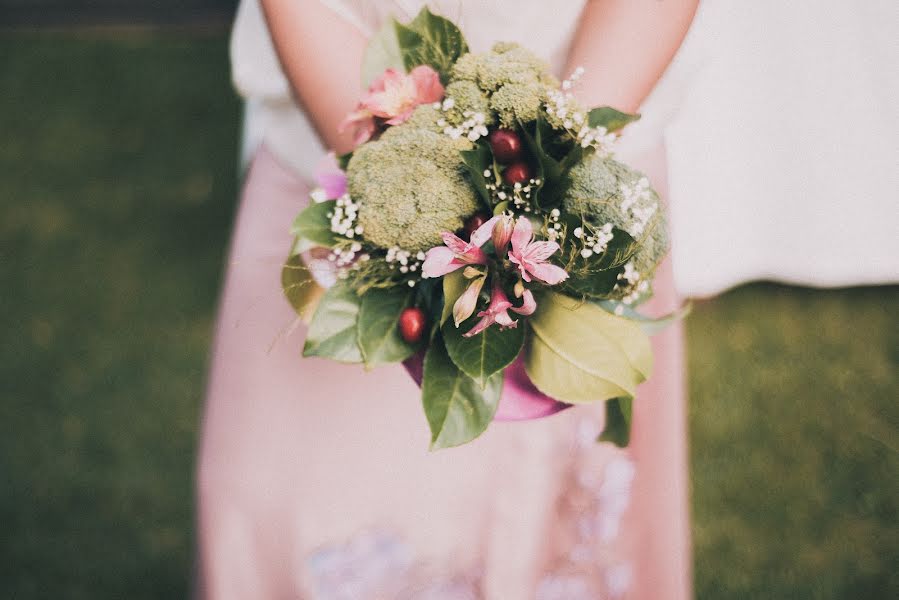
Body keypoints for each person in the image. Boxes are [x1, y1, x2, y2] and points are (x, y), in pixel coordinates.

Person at [197, 1, 699, 598]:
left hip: (591, 138)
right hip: (337, 138)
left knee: (545, 524)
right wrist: (395, 176)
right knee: (291, 504)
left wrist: (552, 178)